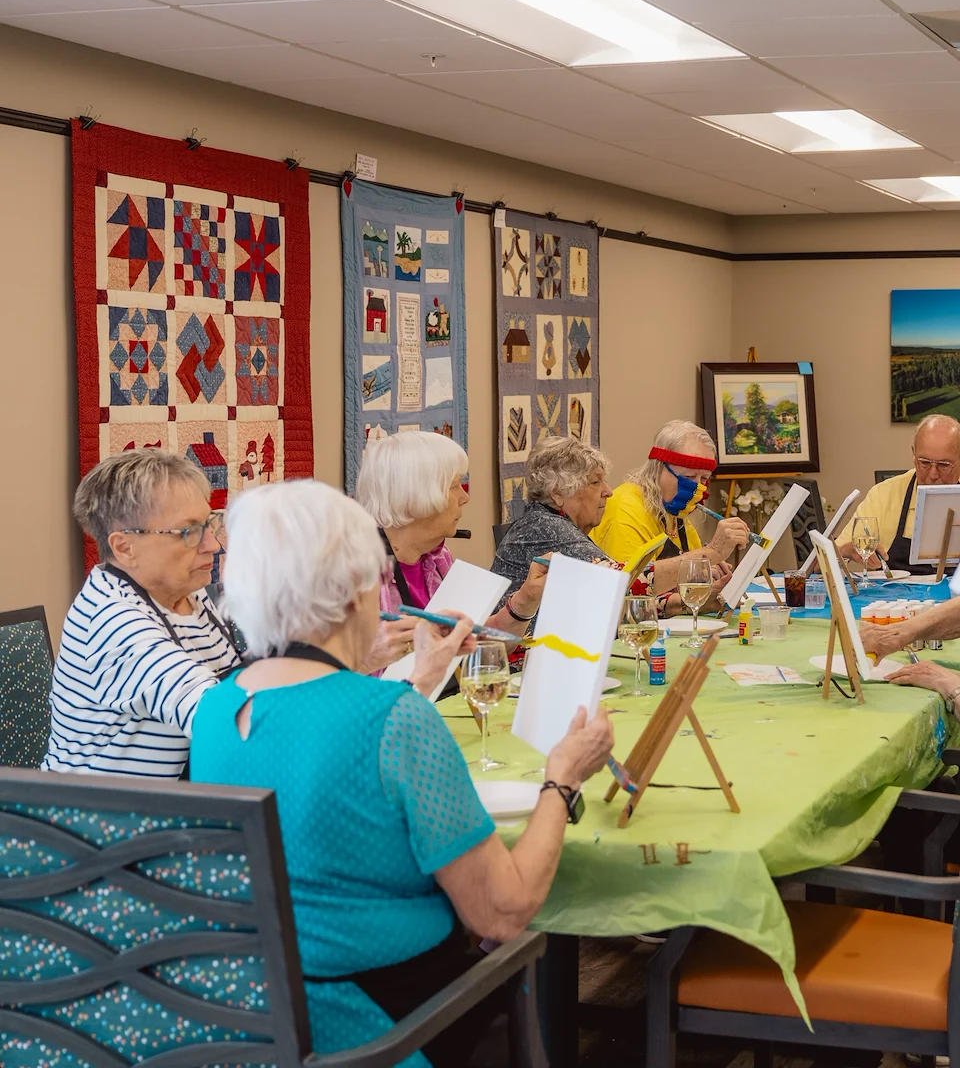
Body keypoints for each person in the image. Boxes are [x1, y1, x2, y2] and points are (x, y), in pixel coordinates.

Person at [190, 480, 613, 1066]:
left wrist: (415, 674)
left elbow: (324, 764)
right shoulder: (392, 719)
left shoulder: (214, 710)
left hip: (259, 1015)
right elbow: (504, 911)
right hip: (391, 1021)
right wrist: (562, 780)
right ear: (354, 593)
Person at [42, 449, 242, 778]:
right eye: (189, 532)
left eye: (209, 524)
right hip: (102, 822)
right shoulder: (111, 622)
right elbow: (220, 718)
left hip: (176, 808)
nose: (213, 545)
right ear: (125, 547)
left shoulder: (185, 593)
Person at [356, 431, 548, 673]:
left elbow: (470, 646)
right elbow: (318, 682)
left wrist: (526, 599)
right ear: (415, 495)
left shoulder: (436, 557)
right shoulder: (356, 574)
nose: (464, 497)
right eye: (455, 485)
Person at [592, 420, 750, 600]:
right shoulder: (625, 509)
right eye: (689, 476)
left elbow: (683, 575)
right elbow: (627, 592)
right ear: (658, 468)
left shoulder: (674, 511)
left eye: (704, 478)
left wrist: (704, 573)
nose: (696, 487)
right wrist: (712, 552)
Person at [836, 413, 960, 574]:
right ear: (913, 455)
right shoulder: (884, 494)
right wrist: (846, 551)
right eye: (924, 463)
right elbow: (820, 565)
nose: (933, 474)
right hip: (895, 598)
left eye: (944, 465)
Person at [491, 436, 615, 595]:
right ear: (557, 493)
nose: (608, 491)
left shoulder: (542, 519)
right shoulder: (544, 527)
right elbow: (615, 582)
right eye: (595, 482)